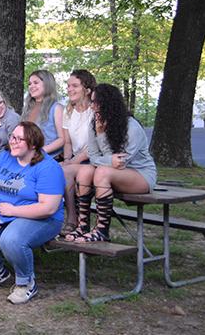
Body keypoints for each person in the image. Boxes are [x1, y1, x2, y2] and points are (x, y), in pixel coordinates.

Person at [0, 122, 65, 304]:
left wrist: (14, 210)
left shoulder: (48, 167)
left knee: (11, 239)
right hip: (5, 212)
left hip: (42, 218)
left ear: (33, 144)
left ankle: (26, 282)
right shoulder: (5, 156)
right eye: (12, 137)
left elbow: (48, 207)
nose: (13, 142)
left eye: (20, 139)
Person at [65, 84, 157, 243]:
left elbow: (120, 163)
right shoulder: (95, 122)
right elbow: (94, 157)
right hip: (112, 173)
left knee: (101, 172)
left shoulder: (131, 126)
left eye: (95, 103)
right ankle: (83, 226)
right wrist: (100, 135)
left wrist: (102, 138)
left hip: (140, 175)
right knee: (85, 172)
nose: (92, 107)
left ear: (108, 104)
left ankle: (102, 231)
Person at [59, 70, 96, 236]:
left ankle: (75, 220)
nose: (69, 89)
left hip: (94, 160)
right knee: (56, 169)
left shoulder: (95, 111)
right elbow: (67, 142)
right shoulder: (68, 111)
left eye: (74, 86)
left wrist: (71, 163)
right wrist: (68, 159)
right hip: (75, 160)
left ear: (87, 89)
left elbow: (93, 148)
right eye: (68, 86)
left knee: (65, 170)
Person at [21, 70, 64, 158]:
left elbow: (62, 139)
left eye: (35, 83)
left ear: (47, 84)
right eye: (29, 84)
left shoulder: (56, 108)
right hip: (26, 155)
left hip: (48, 157)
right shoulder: (27, 108)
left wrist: (41, 152)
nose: (31, 86)